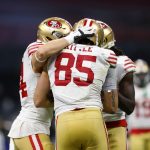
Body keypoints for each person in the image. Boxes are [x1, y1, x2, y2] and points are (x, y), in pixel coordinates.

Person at [34, 18, 118, 150]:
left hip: (64, 119)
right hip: (93, 118)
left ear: (74, 32)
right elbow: (111, 107)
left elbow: (38, 99)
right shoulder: (107, 55)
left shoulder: (53, 53)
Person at [8, 17, 73, 150]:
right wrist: (71, 38)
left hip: (30, 128)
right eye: (64, 38)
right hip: (31, 127)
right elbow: (41, 53)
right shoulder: (36, 46)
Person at [96, 20, 136, 150]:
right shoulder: (78, 59)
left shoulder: (121, 63)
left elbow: (129, 106)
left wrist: (109, 87)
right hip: (90, 123)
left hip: (114, 124)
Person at [128, 59, 150, 150]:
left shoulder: (129, 89)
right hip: (135, 132)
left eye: (143, 75)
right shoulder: (129, 89)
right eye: (139, 75)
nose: (141, 77)